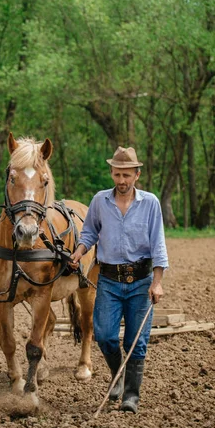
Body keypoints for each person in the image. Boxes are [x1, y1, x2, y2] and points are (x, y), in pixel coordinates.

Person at [71, 146, 168, 413]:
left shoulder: (150, 203)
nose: (121, 181)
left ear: (137, 175)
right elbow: (89, 233)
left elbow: (158, 245)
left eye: (126, 175)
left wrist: (157, 282)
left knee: (136, 342)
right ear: (112, 174)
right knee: (104, 335)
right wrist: (79, 253)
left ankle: (131, 396)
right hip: (109, 281)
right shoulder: (100, 201)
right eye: (117, 175)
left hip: (140, 281)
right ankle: (118, 375)